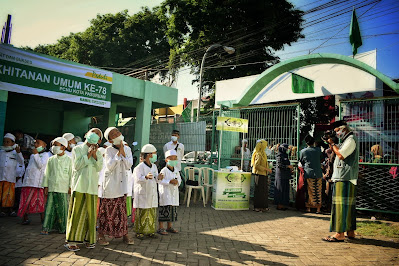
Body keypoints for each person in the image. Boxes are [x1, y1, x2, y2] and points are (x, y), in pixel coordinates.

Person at [65, 128, 103, 251]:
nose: (95, 135)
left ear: (100, 140)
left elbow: (99, 167)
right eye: (93, 132)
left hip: (92, 187)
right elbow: (76, 166)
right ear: (86, 134)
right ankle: (72, 241)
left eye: (98, 134)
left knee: (90, 214)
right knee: (77, 213)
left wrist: (94, 154)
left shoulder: (99, 152)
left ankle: (89, 240)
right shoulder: (77, 149)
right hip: (79, 185)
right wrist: (88, 155)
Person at [323, 121, 359, 242]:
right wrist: (331, 144)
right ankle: (350, 231)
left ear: (344, 129)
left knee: (340, 206)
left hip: (345, 177)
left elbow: (341, 155)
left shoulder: (351, 140)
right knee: (348, 206)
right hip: (345, 176)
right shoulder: (346, 140)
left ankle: (340, 233)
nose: (337, 133)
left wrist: (333, 144)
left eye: (338, 130)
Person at [97, 127, 134, 245]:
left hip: (122, 185)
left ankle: (124, 234)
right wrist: (119, 154)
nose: (117, 134)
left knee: (122, 213)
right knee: (106, 212)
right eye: (113, 134)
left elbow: (129, 165)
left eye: (117, 132)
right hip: (110, 186)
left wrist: (123, 151)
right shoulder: (108, 150)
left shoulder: (127, 149)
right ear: (111, 140)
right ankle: (101, 235)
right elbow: (110, 166)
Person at [41, 137, 72, 235]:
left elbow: (72, 175)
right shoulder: (51, 159)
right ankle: (46, 227)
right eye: (53, 145)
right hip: (52, 187)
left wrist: (70, 186)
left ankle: (63, 228)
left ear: (63, 147)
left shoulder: (69, 160)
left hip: (63, 188)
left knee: (63, 209)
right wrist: (45, 186)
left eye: (56, 145)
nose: (53, 147)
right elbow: (47, 173)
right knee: (50, 208)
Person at [133, 144, 164, 239]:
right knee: (142, 212)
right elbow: (137, 179)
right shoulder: (139, 167)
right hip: (143, 193)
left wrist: (159, 177)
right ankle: (139, 232)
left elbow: (156, 178)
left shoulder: (154, 166)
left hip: (152, 192)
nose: (155, 156)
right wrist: (145, 177)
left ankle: (150, 231)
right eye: (154, 154)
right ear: (149, 155)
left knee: (151, 212)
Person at [18, 139, 50, 224]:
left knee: (40, 202)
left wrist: (36, 154)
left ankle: (43, 219)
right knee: (25, 201)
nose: (35, 145)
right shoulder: (32, 155)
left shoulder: (46, 155)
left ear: (44, 145)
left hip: (38, 183)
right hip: (28, 182)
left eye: (38, 143)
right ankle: (25, 218)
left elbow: (41, 165)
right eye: (35, 143)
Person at [157, 150, 181, 235]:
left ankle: (169, 226)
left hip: (173, 193)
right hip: (165, 193)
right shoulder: (164, 170)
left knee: (172, 210)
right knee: (164, 210)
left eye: (175, 158)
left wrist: (177, 182)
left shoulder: (176, 170)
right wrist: (169, 181)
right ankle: (161, 227)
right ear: (167, 160)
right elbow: (160, 181)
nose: (173, 160)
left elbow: (179, 179)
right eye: (171, 158)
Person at [0, 133, 24, 216]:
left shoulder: (16, 153)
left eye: (8, 142)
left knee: (8, 195)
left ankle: (8, 210)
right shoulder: (1, 152)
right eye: (4, 142)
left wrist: (19, 153)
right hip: (1, 177)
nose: (6, 143)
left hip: (10, 177)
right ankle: (2, 210)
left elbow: (21, 163)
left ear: (13, 143)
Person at [300, 135, 323, 213]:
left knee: (309, 190)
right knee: (318, 191)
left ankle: (309, 208)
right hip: (318, 173)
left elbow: (301, 161)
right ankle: (318, 209)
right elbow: (321, 158)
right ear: (313, 142)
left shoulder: (303, 151)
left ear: (306, 143)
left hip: (308, 172)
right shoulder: (318, 150)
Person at [251, 139, 272, 212]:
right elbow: (256, 165)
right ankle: (257, 206)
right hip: (259, 174)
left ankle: (263, 206)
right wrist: (266, 169)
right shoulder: (259, 154)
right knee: (259, 191)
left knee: (264, 191)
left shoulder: (263, 154)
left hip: (264, 174)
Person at [274, 144, 293, 211]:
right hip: (280, 175)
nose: (287, 150)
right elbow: (279, 165)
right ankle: (279, 205)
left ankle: (284, 204)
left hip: (285, 175)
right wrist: (287, 166)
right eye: (286, 148)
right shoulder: (279, 155)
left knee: (285, 190)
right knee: (280, 190)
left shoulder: (286, 155)